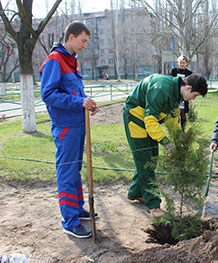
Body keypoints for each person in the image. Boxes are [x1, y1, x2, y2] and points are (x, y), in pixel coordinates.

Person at [40, 21, 100, 239]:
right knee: (66, 172)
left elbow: (75, 93)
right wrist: (78, 103)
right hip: (66, 127)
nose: (85, 45)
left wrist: (87, 103)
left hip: (78, 124)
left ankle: (77, 208)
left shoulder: (71, 60)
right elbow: (48, 95)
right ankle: (69, 221)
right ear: (71, 37)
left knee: (75, 170)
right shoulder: (54, 61)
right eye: (83, 41)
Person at [123, 73, 208, 218]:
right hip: (136, 118)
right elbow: (150, 120)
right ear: (188, 88)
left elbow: (171, 119)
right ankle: (154, 206)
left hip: (149, 121)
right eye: (195, 95)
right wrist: (167, 143)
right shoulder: (161, 89)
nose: (193, 99)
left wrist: (180, 137)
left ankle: (135, 192)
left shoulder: (176, 94)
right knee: (146, 162)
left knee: (152, 158)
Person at [171, 55, 193, 130]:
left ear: (186, 63)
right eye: (180, 63)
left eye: (183, 63)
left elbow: (190, 85)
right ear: (178, 63)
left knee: (183, 113)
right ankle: (176, 129)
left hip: (184, 95)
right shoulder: (174, 71)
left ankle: (183, 129)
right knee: (175, 113)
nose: (182, 64)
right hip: (175, 94)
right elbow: (171, 81)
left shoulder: (189, 73)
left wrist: (190, 96)